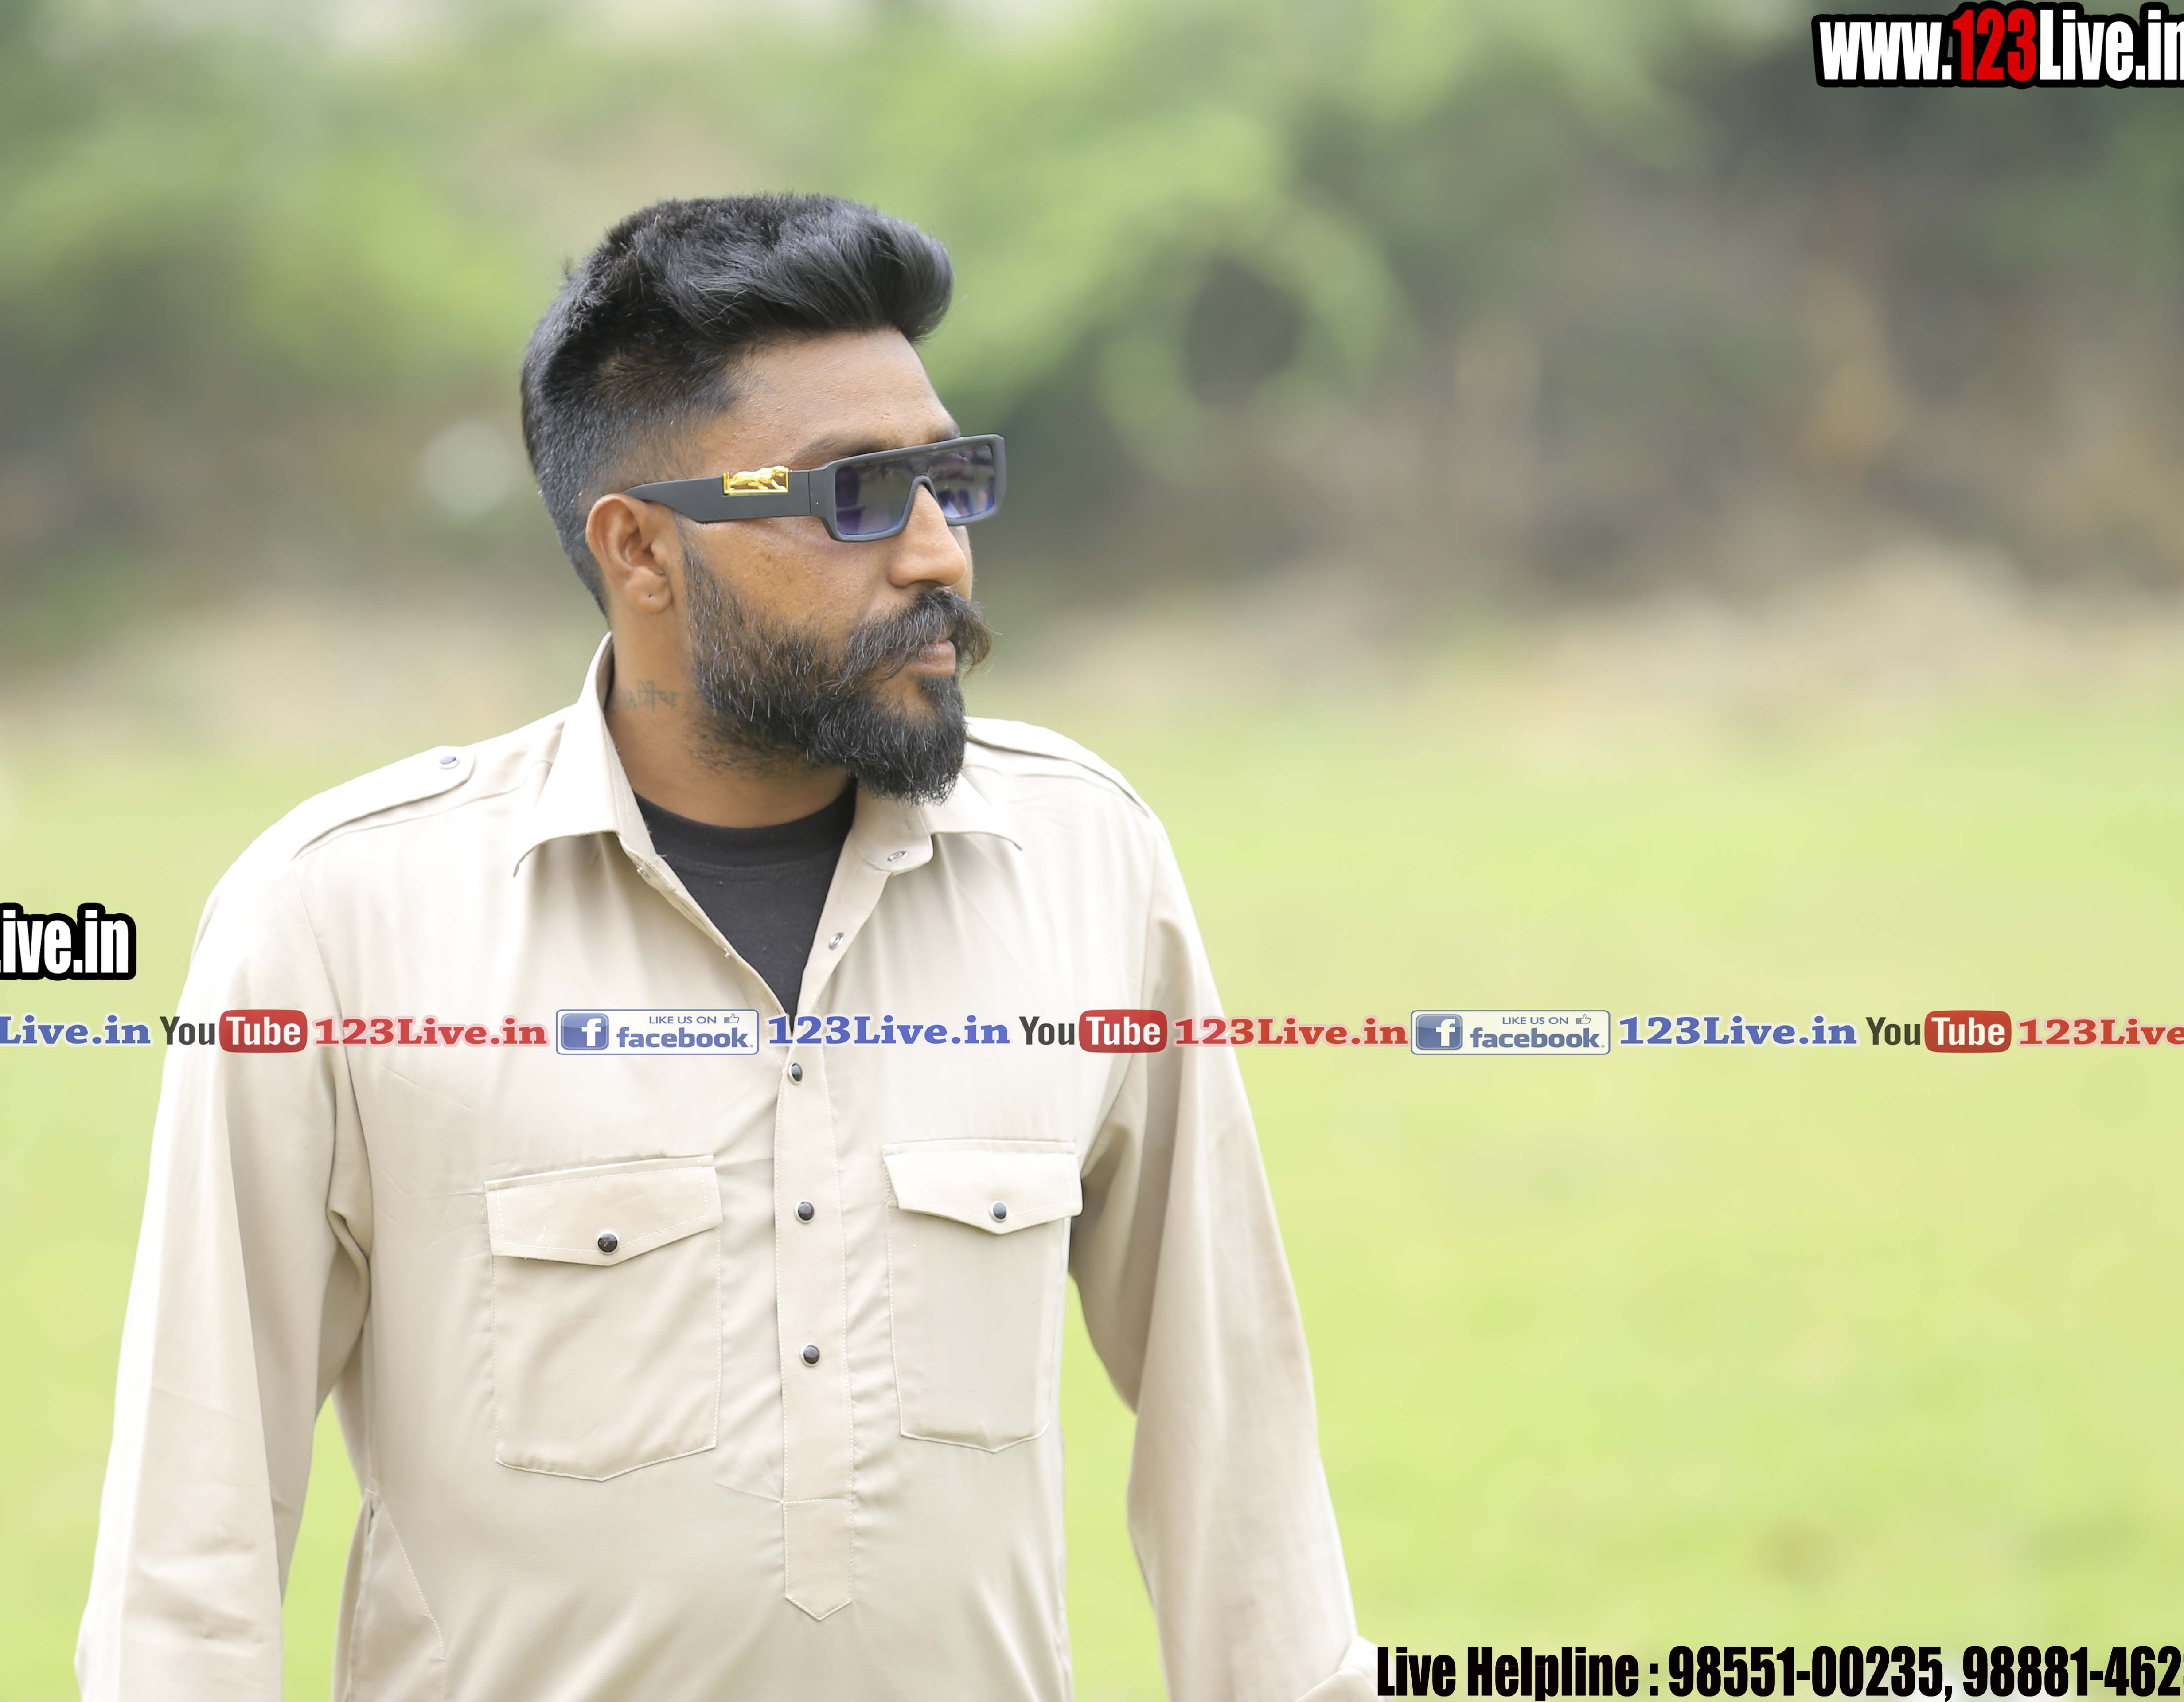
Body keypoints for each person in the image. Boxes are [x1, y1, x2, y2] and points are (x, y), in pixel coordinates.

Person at [76, 193, 1374, 1702]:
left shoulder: (1085, 860)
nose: (941, 557)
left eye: (948, 482)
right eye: (856, 496)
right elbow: (191, 1539)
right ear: (641, 548)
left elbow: (1235, 1418)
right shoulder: (337, 920)